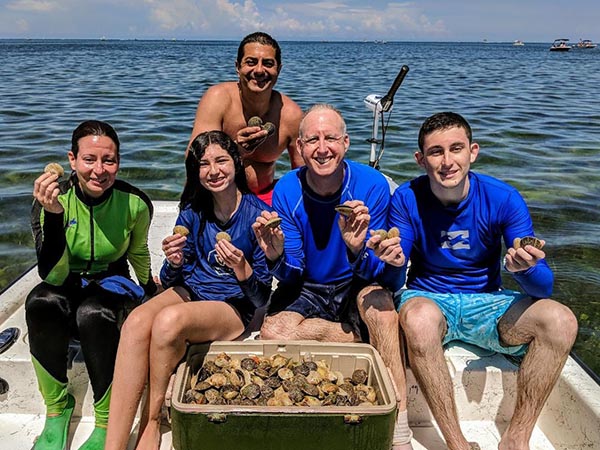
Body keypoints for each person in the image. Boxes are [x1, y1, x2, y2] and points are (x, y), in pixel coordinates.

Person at [371, 111, 578, 450]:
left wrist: (524, 269)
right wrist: (393, 262)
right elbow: (393, 280)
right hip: (430, 297)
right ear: (421, 160)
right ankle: (457, 444)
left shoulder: (503, 198)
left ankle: (516, 438)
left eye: (456, 149)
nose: (447, 161)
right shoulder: (407, 198)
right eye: (436, 152)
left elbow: (543, 288)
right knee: (419, 319)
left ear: (473, 151)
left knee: (561, 320)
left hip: (489, 301)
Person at [252, 103, 413, 450]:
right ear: (299, 147)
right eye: (312, 140)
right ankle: (356, 339)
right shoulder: (287, 190)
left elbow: (380, 274)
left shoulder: (371, 185)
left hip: (355, 281)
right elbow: (291, 275)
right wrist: (275, 254)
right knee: (271, 329)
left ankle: (400, 417)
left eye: (330, 139)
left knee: (383, 311)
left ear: (346, 142)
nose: (322, 148)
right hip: (309, 285)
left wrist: (357, 250)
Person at [105, 130, 272, 450]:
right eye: (204, 163)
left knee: (168, 322)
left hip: (233, 305)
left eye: (221, 160)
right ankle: (112, 444)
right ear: (196, 172)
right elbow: (171, 279)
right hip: (190, 290)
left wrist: (242, 269)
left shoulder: (255, 216)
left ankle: (151, 421)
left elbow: (261, 297)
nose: (214, 170)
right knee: (137, 322)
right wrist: (175, 260)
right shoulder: (193, 211)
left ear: (235, 163)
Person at [26, 120, 156, 450]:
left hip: (112, 282)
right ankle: (57, 411)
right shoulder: (51, 200)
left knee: (93, 312)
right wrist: (53, 215)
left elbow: (138, 250)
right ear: (72, 160)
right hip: (66, 277)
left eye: (109, 160)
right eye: (89, 159)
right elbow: (53, 276)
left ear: (118, 162)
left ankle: (105, 417)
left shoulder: (135, 203)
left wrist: (149, 288)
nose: (99, 170)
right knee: (40, 302)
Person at [188, 31, 304, 206]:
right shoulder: (218, 98)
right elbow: (193, 159)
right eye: (251, 62)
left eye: (268, 63)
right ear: (237, 66)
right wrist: (236, 150)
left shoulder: (291, 114)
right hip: (216, 198)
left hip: (266, 198)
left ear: (278, 69)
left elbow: (303, 175)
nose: (259, 70)